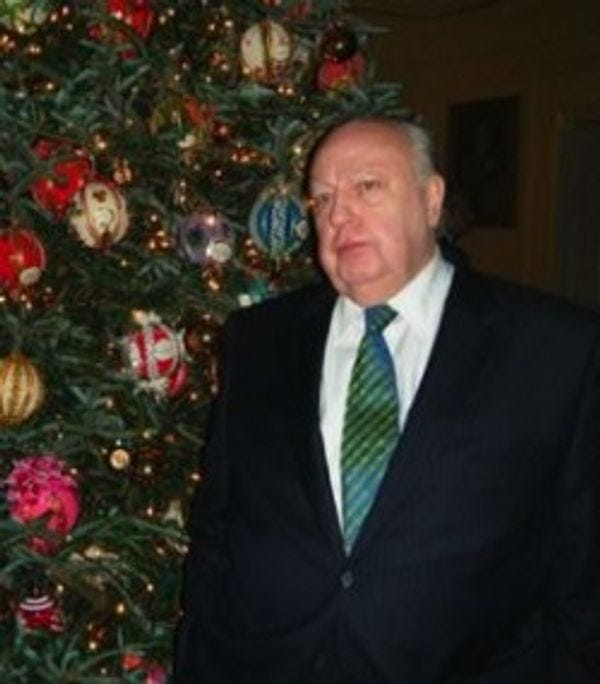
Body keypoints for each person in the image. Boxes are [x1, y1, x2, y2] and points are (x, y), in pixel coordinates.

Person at [174, 116, 600, 683]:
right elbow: (219, 524)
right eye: (323, 199)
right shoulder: (259, 340)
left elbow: (582, 572)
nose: (338, 215)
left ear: (431, 200)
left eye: (367, 187)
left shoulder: (555, 349)